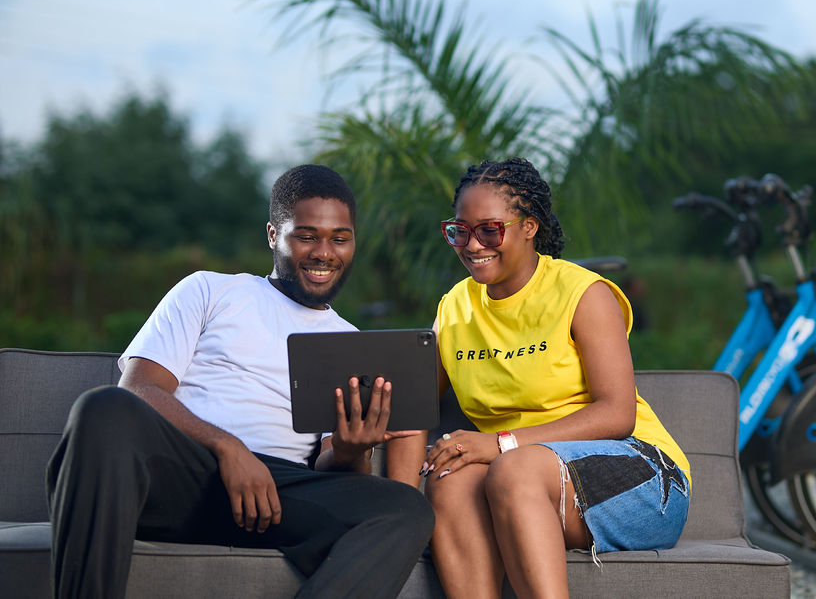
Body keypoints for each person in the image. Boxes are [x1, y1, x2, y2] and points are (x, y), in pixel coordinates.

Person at [46, 164, 434, 599]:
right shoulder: (209, 291)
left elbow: (332, 465)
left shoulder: (351, 343)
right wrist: (228, 448)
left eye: (340, 238)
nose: (325, 252)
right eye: (306, 235)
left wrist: (350, 449)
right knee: (101, 409)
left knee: (405, 508)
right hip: (184, 475)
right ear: (273, 234)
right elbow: (139, 388)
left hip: (280, 495)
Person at [409, 157, 691, 598]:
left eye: (490, 229)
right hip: (521, 476)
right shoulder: (454, 308)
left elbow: (617, 415)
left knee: (512, 470)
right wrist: (350, 441)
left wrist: (501, 442)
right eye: (459, 230)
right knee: (450, 477)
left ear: (529, 227)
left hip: (642, 478)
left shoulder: (583, 293)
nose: (472, 244)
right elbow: (412, 409)